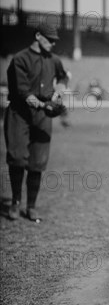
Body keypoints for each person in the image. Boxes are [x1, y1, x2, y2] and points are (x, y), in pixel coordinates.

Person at [4, 23, 69, 222]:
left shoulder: (54, 60)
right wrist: (45, 106)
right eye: (49, 40)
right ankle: (15, 202)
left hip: (42, 115)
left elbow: (63, 77)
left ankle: (31, 206)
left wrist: (58, 92)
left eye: (54, 41)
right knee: (17, 157)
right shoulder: (20, 59)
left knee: (38, 161)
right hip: (20, 112)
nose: (52, 43)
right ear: (38, 36)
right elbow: (24, 93)